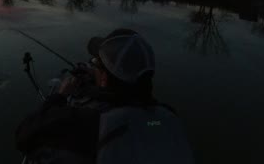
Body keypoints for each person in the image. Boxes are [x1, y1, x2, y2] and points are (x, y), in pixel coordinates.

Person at [16, 29, 193, 164]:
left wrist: (61, 95)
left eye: (95, 63)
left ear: (106, 77)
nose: (92, 66)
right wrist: (99, 77)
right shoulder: (169, 117)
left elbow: (24, 134)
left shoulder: (91, 124)